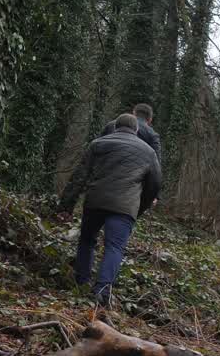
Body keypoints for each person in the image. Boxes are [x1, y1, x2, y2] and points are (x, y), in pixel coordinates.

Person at [58, 113, 162, 306]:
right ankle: (102, 291)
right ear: (136, 130)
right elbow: (154, 184)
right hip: (125, 207)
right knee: (114, 247)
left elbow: (79, 176)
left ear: (115, 126)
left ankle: (81, 282)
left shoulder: (98, 144)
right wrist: (139, 207)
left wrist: (66, 205)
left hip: (95, 201)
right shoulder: (148, 152)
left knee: (87, 240)